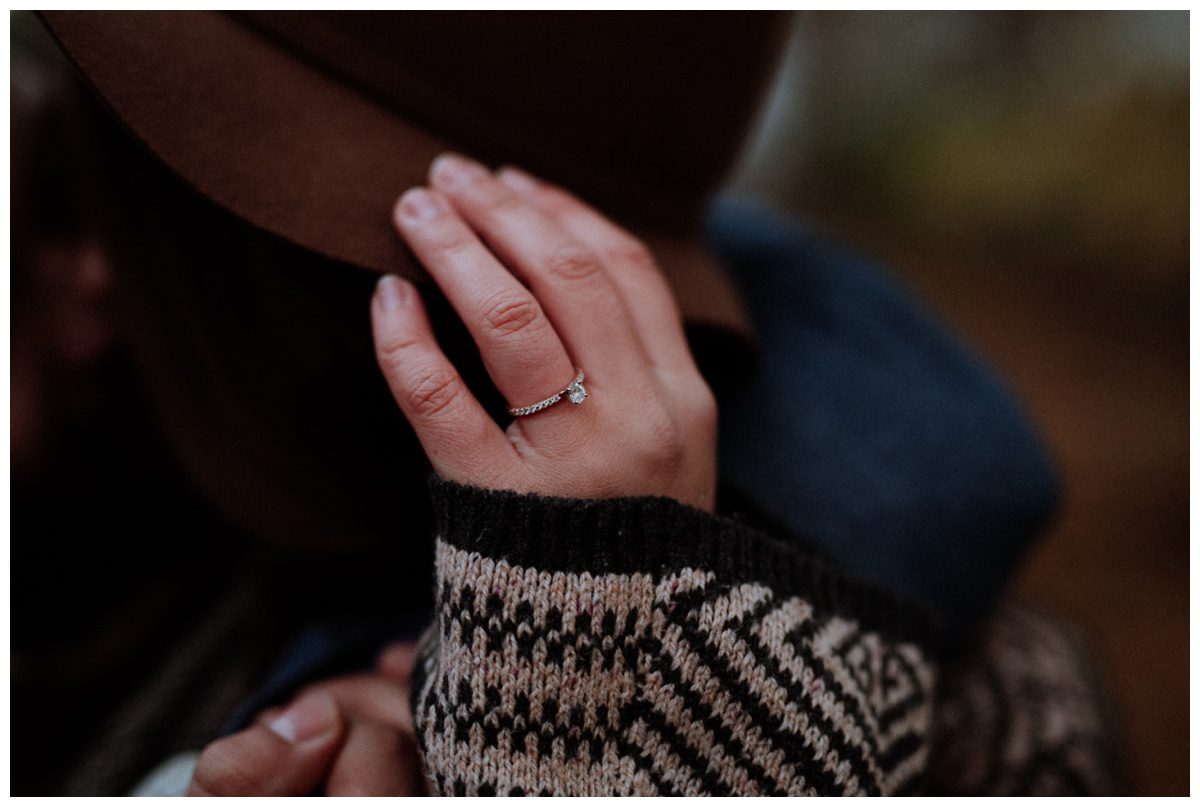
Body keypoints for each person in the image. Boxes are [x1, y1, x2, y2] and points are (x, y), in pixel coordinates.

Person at [19, 12, 1120, 795]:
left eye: (163, 208)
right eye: (68, 172)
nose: (88, 274)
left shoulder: (974, 720)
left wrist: (583, 745)